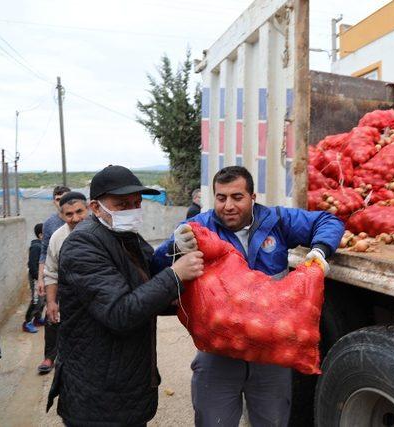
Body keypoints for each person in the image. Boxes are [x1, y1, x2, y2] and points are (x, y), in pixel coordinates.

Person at [152, 166, 344, 427]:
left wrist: (321, 250)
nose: (228, 205)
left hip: (271, 353)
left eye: (237, 197)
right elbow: (157, 270)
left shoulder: (275, 220)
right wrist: (173, 248)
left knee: (272, 420)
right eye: (221, 198)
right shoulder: (198, 228)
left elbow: (328, 221)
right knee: (213, 420)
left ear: (252, 197)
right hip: (219, 353)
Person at [47, 165, 204, 427]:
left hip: (126, 386)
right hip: (98, 398)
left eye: (136, 203)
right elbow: (120, 312)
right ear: (96, 208)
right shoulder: (81, 246)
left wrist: (175, 252)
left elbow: (146, 287)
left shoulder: (125, 237)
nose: (132, 210)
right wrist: (175, 275)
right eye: (122, 204)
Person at [43, 192, 89, 329]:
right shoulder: (57, 238)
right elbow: (51, 273)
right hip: (71, 305)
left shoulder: (103, 232)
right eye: (69, 214)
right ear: (62, 216)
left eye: (79, 211)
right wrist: (51, 302)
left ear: (89, 209)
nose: (75, 218)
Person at [37, 185, 70, 373]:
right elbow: (44, 252)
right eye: (58, 199)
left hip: (79, 276)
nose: (61, 202)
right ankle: (49, 357)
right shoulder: (50, 224)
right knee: (51, 315)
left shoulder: (82, 220)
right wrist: (42, 279)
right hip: (56, 276)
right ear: (54, 201)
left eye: (65, 198)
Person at [23, 223, 44, 334]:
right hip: (36, 278)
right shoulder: (36, 247)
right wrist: (38, 278)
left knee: (42, 300)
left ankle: (37, 319)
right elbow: (32, 265)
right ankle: (27, 322)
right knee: (36, 300)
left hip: (42, 278)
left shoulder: (43, 245)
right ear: (40, 235)